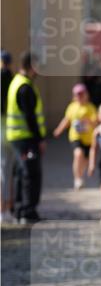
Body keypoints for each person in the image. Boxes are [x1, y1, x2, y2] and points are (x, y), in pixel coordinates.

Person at [6, 52, 46, 225]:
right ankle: (27, 211)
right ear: (31, 66)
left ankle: (19, 209)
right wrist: (40, 139)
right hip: (26, 139)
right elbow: (30, 117)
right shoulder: (25, 87)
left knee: (20, 173)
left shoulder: (17, 82)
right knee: (30, 174)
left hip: (17, 138)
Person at [52, 83, 97, 190]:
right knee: (78, 154)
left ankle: (80, 175)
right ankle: (77, 179)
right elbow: (66, 120)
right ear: (74, 96)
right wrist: (59, 130)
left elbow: (96, 123)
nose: (80, 97)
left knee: (85, 161)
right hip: (75, 136)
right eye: (77, 95)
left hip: (88, 138)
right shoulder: (72, 107)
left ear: (86, 95)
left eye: (82, 94)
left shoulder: (90, 108)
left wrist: (89, 121)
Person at [1, 50, 15, 222]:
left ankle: (4, 210)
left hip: (4, 128)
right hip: (9, 129)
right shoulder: (12, 80)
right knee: (7, 171)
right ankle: (6, 209)